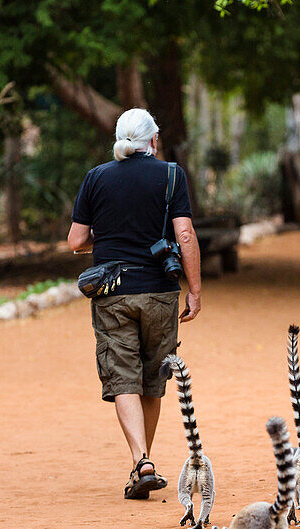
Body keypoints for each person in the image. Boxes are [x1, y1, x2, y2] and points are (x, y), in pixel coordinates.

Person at [67, 108, 202, 499]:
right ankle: (143, 461)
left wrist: (108, 235)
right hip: (160, 290)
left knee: (122, 375)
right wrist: (195, 289)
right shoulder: (172, 175)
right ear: (153, 141)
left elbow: (75, 241)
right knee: (153, 377)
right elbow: (186, 234)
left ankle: (141, 461)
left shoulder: (96, 177)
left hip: (112, 293)